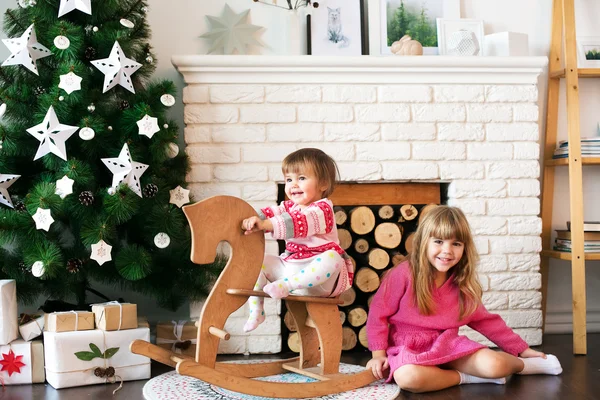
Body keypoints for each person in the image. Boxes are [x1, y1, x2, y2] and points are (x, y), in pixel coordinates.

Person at [366, 206, 562, 393]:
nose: (447, 251)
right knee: (408, 378)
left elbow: (486, 321)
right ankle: (466, 377)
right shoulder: (402, 274)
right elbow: (378, 315)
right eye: (439, 241)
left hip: (447, 344)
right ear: (423, 242)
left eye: (456, 244)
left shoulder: (461, 284)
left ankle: (524, 366)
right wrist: (378, 355)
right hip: (407, 349)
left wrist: (522, 349)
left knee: (495, 365)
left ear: (464, 248)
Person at [241, 148, 354, 332]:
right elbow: (269, 213)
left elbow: (297, 222)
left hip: (319, 281)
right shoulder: (290, 206)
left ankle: (287, 285)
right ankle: (256, 311)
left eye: (301, 178)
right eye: (288, 179)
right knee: (259, 261)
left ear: (323, 184)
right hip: (292, 268)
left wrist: (265, 225)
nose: (293, 184)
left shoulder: (322, 209)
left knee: (333, 257)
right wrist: (253, 219)